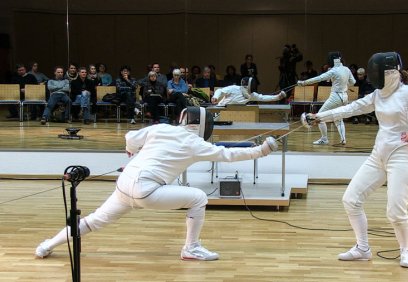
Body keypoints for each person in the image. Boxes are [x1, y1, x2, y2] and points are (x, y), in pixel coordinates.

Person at [35, 107, 278, 261]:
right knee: (199, 198)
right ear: (202, 125)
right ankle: (190, 248)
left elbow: (130, 138)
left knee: (92, 220)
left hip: (124, 185)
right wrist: (262, 150)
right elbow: (228, 154)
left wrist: (131, 153)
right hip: (146, 190)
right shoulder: (196, 144)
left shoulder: (162, 128)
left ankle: (46, 246)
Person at [304, 52, 408, 268]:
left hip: (402, 156)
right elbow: (351, 108)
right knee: (351, 199)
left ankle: (405, 251)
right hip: (379, 156)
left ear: (391, 73)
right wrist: (320, 117)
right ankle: (362, 248)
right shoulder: (377, 95)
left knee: (395, 212)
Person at [297, 51, 356, 145]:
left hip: (336, 97)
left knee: (319, 116)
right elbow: (353, 82)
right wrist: (343, 86)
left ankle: (324, 139)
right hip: (345, 97)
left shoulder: (333, 71)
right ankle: (343, 139)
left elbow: (319, 78)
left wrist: (303, 83)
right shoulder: (346, 69)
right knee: (338, 117)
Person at [211, 77, 286, 106]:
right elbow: (220, 90)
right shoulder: (234, 88)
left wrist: (278, 97)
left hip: (234, 114)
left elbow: (263, 98)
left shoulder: (251, 95)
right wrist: (215, 97)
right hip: (221, 110)